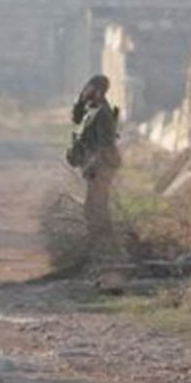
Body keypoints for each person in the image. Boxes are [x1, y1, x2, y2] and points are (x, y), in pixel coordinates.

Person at [71, 75, 122, 261]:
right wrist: (80, 100)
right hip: (95, 165)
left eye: (89, 88)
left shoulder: (103, 113)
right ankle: (100, 247)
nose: (85, 90)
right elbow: (76, 119)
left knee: (96, 208)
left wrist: (93, 166)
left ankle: (106, 249)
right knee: (93, 208)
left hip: (102, 165)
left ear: (98, 91)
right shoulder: (92, 109)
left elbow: (105, 147)